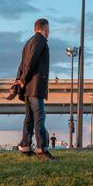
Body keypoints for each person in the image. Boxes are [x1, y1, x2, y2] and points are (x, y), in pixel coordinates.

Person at [15, 19, 55, 160]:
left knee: (30, 118)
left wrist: (20, 81)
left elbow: (22, 65)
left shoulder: (28, 43)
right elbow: (31, 61)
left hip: (27, 88)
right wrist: (24, 79)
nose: (49, 32)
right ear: (44, 29)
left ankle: (25, 146)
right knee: (39, 117)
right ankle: (41, 149)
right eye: (48, 29)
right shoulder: (40, 41)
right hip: (35, 86)